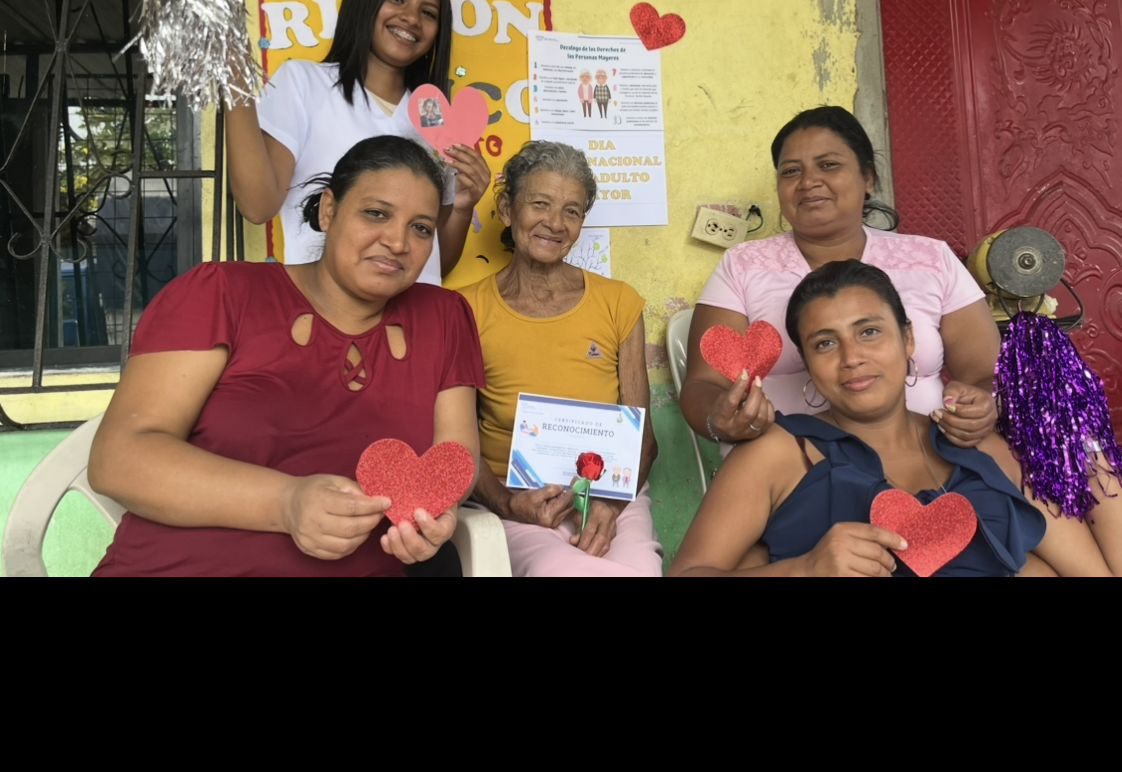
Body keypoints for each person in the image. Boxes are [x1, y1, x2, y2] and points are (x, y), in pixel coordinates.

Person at [89, 138, 484, 578]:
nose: (396, 241)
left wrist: (435, 511)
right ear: (329, 210)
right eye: (376, 213)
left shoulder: (443, 318)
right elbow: (118, 459)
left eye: (421, 228)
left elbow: (455, 457)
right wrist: (286, 502)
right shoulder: (222, 294)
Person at [670, 262, 1122, 578]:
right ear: (808, 365)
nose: (852, 357)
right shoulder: (778, 453)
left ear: (908, 340)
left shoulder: (979, 449)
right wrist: (803, 569)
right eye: (825, 343)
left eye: (869, 331)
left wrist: (1074, 439)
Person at [681, 106, 1003, 454]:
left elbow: (985, 371)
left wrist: (982, 404)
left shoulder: (931, 258)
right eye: (791, 171)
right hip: (785, 468)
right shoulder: (742, 265)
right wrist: (719, 420)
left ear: (868, 178)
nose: (808, 181)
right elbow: (703, 385)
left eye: (828, 165)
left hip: (929, 459)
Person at [457, 141, 662, 577]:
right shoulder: (465, 310)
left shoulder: (619, 303)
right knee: (561, 570)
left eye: (572, 211)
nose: (555, 223)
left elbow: (644, 438)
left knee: (641, 569)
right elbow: (456, 440)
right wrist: (508, 504)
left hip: (611, 497)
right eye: (540, 204)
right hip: (514, 501)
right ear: (507, 209)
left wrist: (610, 504)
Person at [224, 0, 492, 280]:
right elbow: (257, 206)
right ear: (365, 0)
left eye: (428, 12)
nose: (411, 18)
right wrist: (233, 79)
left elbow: (435, 264)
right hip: (327, 308)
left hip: (415, 312)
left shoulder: (433, 116)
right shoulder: (303, 83)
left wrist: (463, 206)